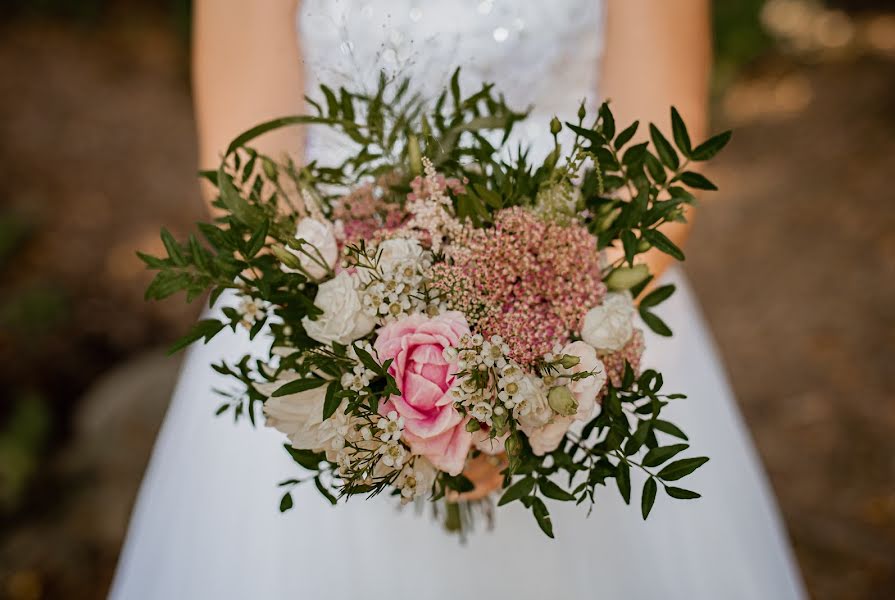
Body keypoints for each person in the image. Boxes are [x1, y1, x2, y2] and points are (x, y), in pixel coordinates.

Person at [110, 1, 807, 597]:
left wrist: (537, 382)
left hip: (584, 293)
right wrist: (366, 378)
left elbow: (656, 171)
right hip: (327, 295)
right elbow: (252, 165)